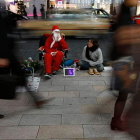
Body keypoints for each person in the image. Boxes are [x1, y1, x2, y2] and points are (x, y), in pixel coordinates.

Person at [0, 4, 48, 115]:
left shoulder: (4, 11)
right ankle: (37, 100)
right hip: (3, 53)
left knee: (21, 75)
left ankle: (36, 99)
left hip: (8, 52)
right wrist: (2, 56)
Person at [110, 0, 139, 132]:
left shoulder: (120, 26)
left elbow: (114, 51)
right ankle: (116, 121)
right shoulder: (128, 28)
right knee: (123, 96)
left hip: (121, 65)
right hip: (127, 66)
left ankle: (116, 120)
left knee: (123, 96)